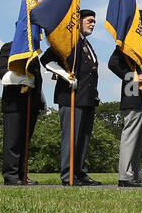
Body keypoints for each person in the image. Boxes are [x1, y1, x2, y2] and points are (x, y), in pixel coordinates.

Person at [42, 9, 101, 186]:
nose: (92, 24)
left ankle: (80, 172)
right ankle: (68, 175)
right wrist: (64, 75)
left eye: (94, 22)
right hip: (71, 97)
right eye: (89, 20)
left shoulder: (86, 44)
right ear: (79, 21)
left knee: (84, 138)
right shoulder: (67, 40)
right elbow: (46, 59)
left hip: (87, 98)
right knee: (71, 138)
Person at [108, 9, 142, 188]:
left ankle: (136, 174)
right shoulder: (129, 43)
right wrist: (132, 76)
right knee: (130, 135)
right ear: (140, 24)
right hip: (133, 93)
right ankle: (126, 176)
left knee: (139, 139)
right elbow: (113, 63)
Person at [0, 39, 44, 185]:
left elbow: (37, 78)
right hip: (14, 102)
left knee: (25, 141)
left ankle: (22, 174)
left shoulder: (34, 52)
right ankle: (11, 174)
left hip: (32, 103)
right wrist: (20, 79)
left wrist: (41, 100)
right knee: (13, 141)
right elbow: (1, 70)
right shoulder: (9, 46)